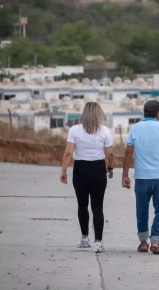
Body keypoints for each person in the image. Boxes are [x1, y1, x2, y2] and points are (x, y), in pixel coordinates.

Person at [122, 100, 159, 255]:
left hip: (141, 178)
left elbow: (128, 152)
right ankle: (156, 242)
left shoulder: (135, 128)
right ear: (158, 114)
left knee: (142, 209)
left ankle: (142, 242)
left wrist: (125, 175)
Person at [60, 102, 114, 253]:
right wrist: (110, 167)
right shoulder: (104, 131)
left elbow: (68, 153)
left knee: (82, 205)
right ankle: (98, 242)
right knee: (97, 207)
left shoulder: (74, 130)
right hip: (98, 169)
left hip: (80, 170)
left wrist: (63, 170)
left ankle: (84, 238)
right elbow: (110, 153)